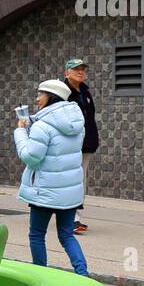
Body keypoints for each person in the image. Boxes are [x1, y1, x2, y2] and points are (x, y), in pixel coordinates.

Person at [14, 79, 88, 276]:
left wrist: (21, 131)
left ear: (51, 97)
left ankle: (41, 275)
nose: (37, 99)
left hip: (45, 190)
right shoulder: (77, 123)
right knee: (66, 235)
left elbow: (30, 155)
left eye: (40, 94)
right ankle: (82, 274)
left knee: (37, 235)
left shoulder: (43, 126)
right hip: (70, 192)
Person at [63, 58, 99, 234]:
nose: (80, 72)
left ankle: (74, 215)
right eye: (76, 69)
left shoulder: (85, 91)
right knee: (72, 180)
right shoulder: (62, 92)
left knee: (80, 179)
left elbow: (89, 119)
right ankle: (70, 218)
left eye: (83, 69)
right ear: (66, 73)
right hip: (69, 144)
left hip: (86, 144)